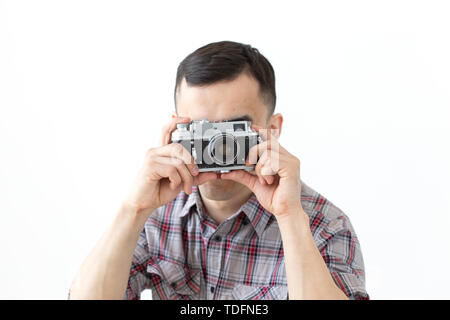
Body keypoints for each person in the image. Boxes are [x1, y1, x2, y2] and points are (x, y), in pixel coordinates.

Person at [69, 40, 369, 300]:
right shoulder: (156, 214)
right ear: (177, 129)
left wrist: (290, 218)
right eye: (202, 130)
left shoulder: (325, 226)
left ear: (272, 130)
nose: (219, 149)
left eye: (233, 132)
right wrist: (133, 209)